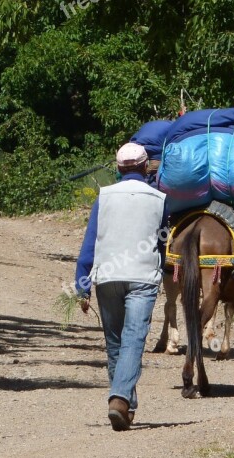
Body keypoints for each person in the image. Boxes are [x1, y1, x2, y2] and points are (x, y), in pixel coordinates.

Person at [74, 143, 168, 431]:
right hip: (142, 276)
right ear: (145, 167)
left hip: (108, 277)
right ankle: (119, 398)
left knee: (115, 342)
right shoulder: (160, 199)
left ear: (118, 168)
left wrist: (82, 283)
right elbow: (162, 241)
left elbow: (91, 242)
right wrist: (160, 268)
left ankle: (125, 407)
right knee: (134, 340)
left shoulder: (104, 197)